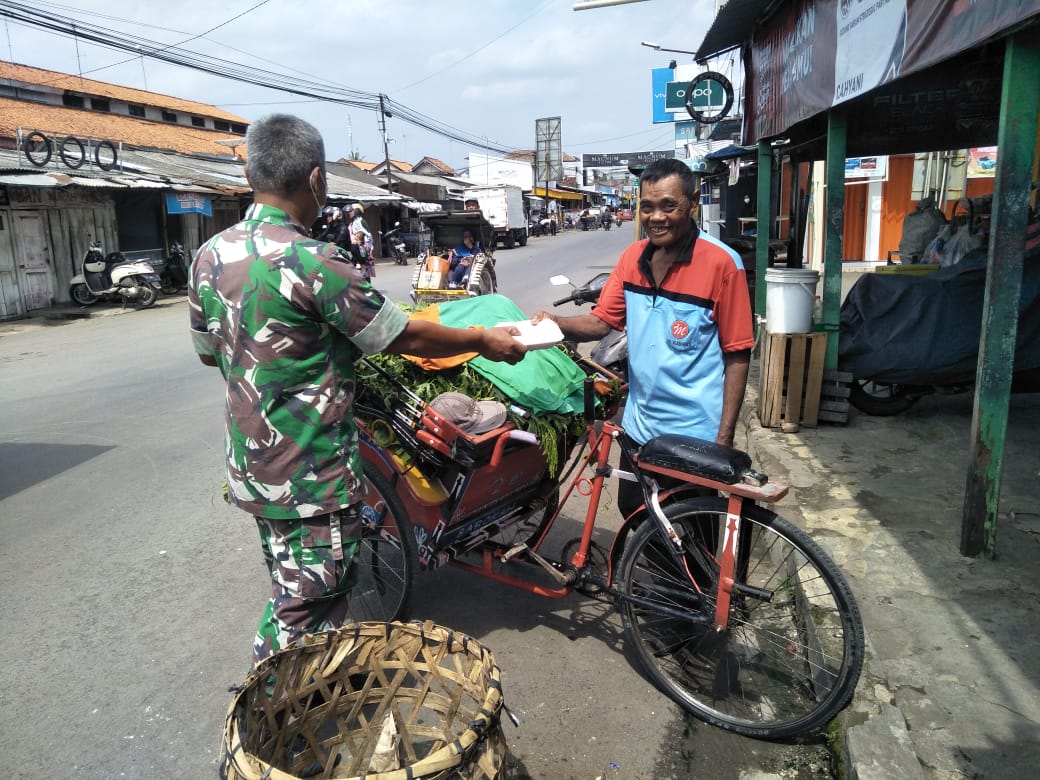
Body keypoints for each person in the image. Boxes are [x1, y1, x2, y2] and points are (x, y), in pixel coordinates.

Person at [188, 114, 526, 666]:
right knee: (306, 612)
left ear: (250, 171)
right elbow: (400, 333)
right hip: (310, 474)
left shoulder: (209, 257)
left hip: (254, 468)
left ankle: (302, 702)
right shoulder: (315, 262)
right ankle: (275, 720)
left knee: (290, 587)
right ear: (317, 180)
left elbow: (210, 353)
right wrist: (482, 339)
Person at [532, 157, 754, 517]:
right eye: (647, 207)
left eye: (669, 206)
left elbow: (738, 353)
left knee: (693, 529)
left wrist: (724, 438)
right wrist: (553, 320)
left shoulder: (722, 264)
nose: (656, 217)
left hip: (695, 432)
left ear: (693, 203)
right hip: (639, 426)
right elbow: (603, 322)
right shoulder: (632, 257)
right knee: (635, 514)